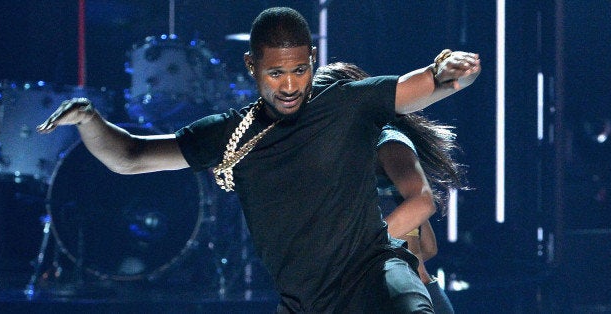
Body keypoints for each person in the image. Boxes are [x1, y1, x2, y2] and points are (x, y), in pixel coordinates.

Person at [37, 7, 480, 313]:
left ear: (312, 61)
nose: (289, 85)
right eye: (275, 73)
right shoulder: (231, 133)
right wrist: (89, 121)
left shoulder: (344, 103)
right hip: (305, 300)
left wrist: (451, 73)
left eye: (299, 71)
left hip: (375, 278)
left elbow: (421, 84)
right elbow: (130, 156)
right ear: (251, 66)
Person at [315, 63, 465, 313]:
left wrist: (358, 253)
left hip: (408, 302)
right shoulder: (360, 160)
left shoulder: (389, 141)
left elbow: (422, 203)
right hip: (411, 296)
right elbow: (428, 246)